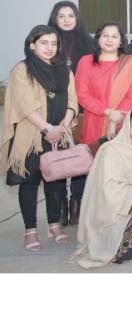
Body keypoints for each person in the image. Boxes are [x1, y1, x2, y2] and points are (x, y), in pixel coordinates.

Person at [2, 25, 77, 250]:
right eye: (44, 43)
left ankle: (54, 225)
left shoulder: (64, 70)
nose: (49, 48)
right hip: (32, 137)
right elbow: (23, 104)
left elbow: (73, 101)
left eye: (54, 44)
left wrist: (63, 125)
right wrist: (47, 128)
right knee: (30, 183)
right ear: (32, 44)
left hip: (59, 136)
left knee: (55, 183)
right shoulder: (22, 70)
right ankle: (30, 230)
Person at [70, 108, 132, 268]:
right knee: (113, 246)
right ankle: (119, 244)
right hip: (113, 205)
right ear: (127, 126)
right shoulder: (111, 150)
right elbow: (107, 187)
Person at [47, 0, 94, 226]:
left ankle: (77, 202)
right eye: (61, 16)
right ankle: (60, 205)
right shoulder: (47, 42)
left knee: (78, 156)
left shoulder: (87, 44)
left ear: (77, 19)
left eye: (70, 15)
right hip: (53, 109)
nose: (66, 20)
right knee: (56, 157)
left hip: (82, 110)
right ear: (55, 19)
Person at [75, 21, 132, 147]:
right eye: (105, 35)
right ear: (98, 39)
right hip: (93, 122)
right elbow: (82, 94)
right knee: (94, 159)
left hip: (122, 122)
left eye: (114, 36)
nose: (109, 40)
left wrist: (114, 121)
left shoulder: (131, 63)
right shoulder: (86, 61)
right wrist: (107, 112)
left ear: (121, 41)